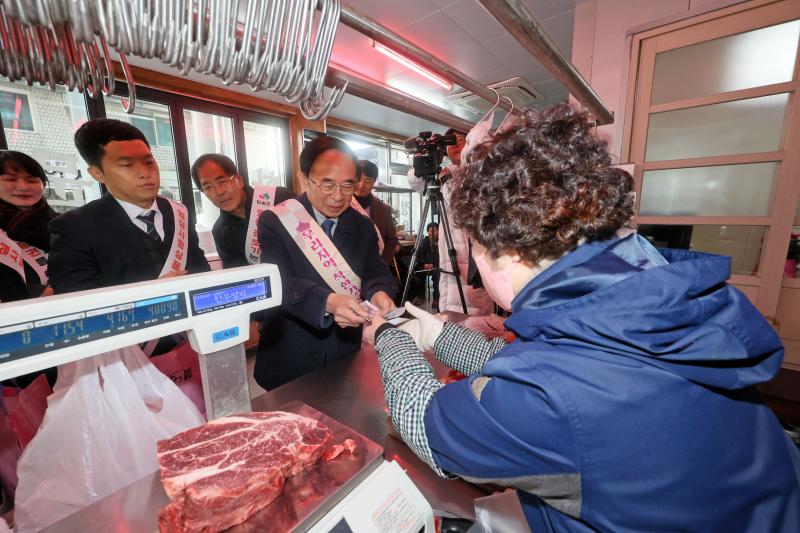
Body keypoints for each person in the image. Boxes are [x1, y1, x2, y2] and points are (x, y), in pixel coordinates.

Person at [366, 103, 800, 531]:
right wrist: (438, 335)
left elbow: (426, 421)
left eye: (475, 247)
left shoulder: (558, 396)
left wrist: (391, 336)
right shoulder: (638, 285)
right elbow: (550, 370)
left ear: (509, 253)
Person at [255, 135, 395, 390]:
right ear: (304, 179)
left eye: (348, 185)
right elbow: (278, 283)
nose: (338, 196)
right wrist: (328, 301)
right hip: (290, 352)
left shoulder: (362, 225)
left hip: (344, 352)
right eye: (327, 185)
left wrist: (379, 292)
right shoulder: (276, 221)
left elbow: (374, 270)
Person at [49, 118, 210, 294]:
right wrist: (152, 294)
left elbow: (201, 270)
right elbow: (78, 300)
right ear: (97, 173)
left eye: (149, 162)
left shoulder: (178, 212)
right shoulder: (74, 228)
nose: (145, 173)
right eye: (127, 164)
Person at [407, 128, 492, 315]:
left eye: (460, 140)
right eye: (450, 142)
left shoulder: (481, 172)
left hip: (471, 250)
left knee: (473, 309)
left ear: (470, 144)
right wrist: (426, 160)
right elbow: (416, 183)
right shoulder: (446, 171)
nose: (454, 145)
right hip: (448, 249)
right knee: (449, 304)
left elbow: (462, 204)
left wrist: (446, 180)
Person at [191, 153, 295, 268]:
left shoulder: (279, 198)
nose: (219, 192)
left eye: (222, 182)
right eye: (208, 187)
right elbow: (240, 274)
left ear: (239, 180)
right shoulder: (221, 232)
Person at [0, 151, 56, 303]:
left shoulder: (61, 223)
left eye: (32, 180)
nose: (23, 187)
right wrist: (37, 292)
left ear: (43, 184)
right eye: (10, 179)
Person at [354, 160, 399, 267]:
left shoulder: (383, 209)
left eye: (368, 181)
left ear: (374, 182)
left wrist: (382, 264)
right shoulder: (340, 204)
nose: (361, 185)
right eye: (358, 179)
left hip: (374, 268)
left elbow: (392, 240)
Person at [416, 221, 439, 305]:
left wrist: (433, 264)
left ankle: (436, 298)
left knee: (437, 274)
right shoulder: (424, 241)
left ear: (439, 231)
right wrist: (425, 264)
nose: (432, 233)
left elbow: (441, 257)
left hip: (436, 265)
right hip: (425, 265)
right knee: (418, 272)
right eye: (430, 231)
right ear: (427, 232)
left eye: (435, 230)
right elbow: (420, 255)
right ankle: (421, 297)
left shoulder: (441, 242)